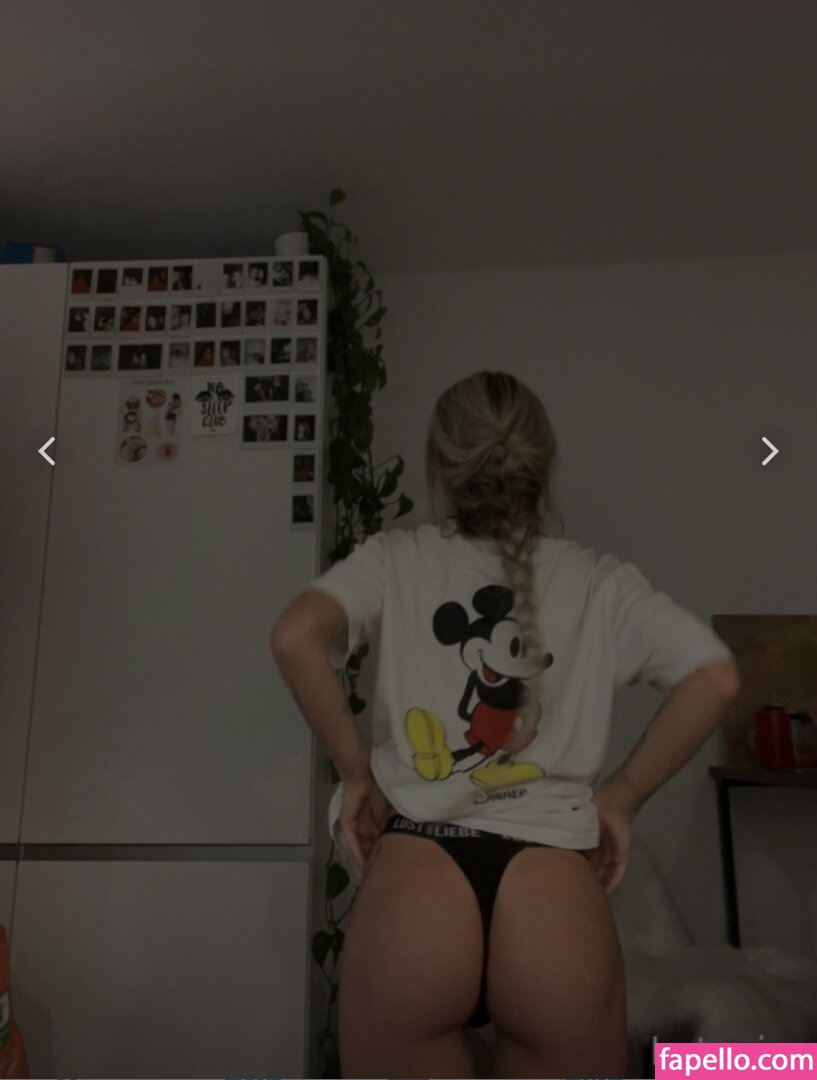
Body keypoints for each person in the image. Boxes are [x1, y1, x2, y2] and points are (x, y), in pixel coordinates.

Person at [270, 370, 740, 1079]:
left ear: (440, 466)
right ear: (541, 467)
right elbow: (715, 678)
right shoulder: (600, 580)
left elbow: (294, 636)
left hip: (418, 881)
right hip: (552, 892)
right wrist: (620, 798)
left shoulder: (395, 559)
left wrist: (356, 772)